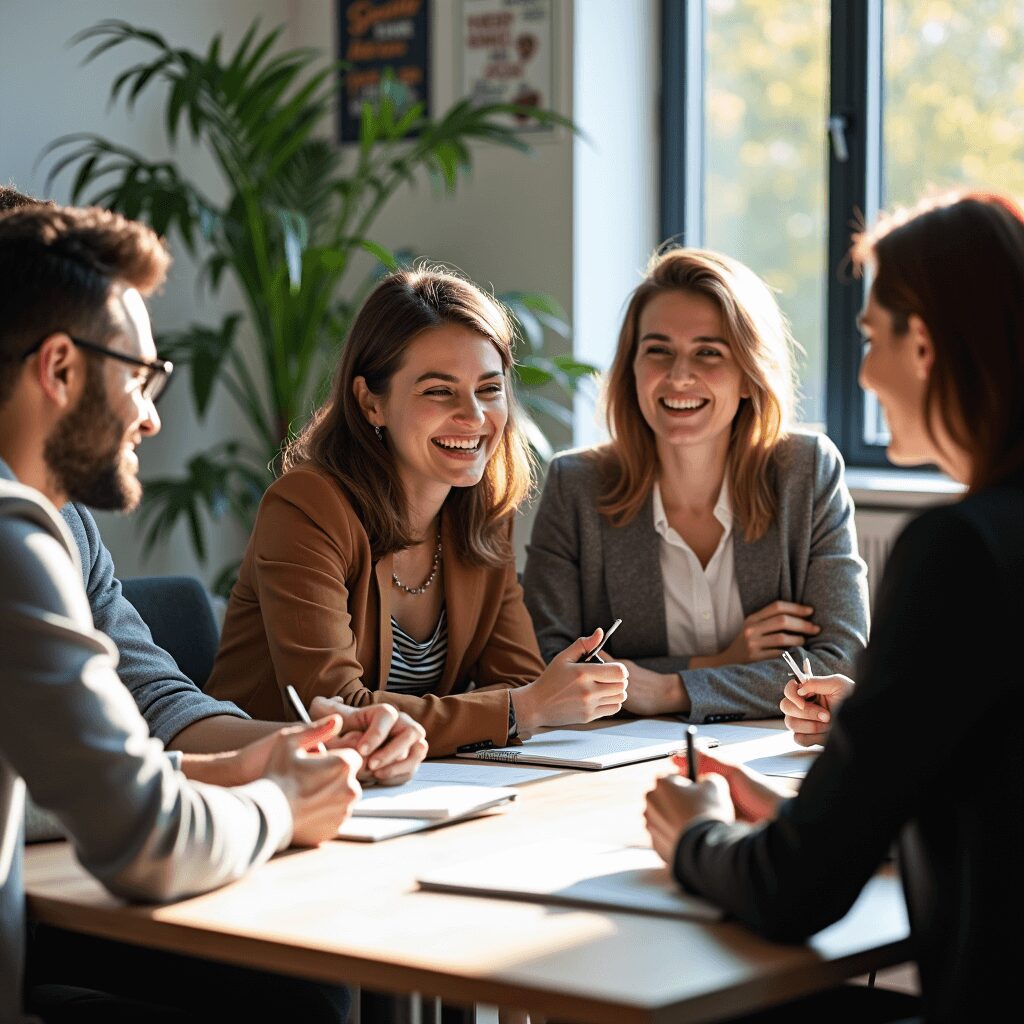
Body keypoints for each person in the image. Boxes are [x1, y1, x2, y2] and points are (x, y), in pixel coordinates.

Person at [644, 191, 1024, 1023]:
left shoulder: (959, 553)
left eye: (870, 339)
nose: (862, 374)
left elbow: (792, 892)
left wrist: (695, 834)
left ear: (922, 345)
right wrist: (828, 790)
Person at [0, 201, 366, 1023]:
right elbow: (147, 842)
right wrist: (281, 805)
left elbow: (114, 741)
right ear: (59, 369)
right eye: (139, 376)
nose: (151, 414)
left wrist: (234, 765)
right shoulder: (11, 537)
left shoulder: (50, 523)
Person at [0, 184, 428, 796]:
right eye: (135, 376)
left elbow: (155, 700)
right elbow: (90, 785)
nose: (152, 419)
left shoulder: (67, 523)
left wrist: (311, 745)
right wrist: (262, 792)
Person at [205, 268, 628, 755]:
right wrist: (521, 709)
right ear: (371, 403)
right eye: (439, 391)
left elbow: (516, 679)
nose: (474, 416)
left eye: (489, 389)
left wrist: (527, 702)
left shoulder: (483, 514)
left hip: (413, 780)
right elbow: (335, 712)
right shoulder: (307, 507)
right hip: (273, 778)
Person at [523, 247, 868, 722]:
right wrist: (716, 661)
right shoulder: (576, 485)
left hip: (766, 748)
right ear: (632, 369)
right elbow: (546, 665)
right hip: (613, 750)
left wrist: (671, 689)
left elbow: (840, 663)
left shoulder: (806, 472)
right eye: (658, 350)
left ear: (748, 375)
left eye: (708, 352)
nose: (679, 376)